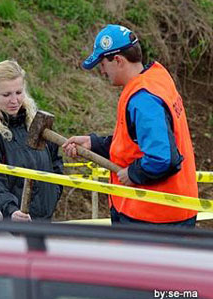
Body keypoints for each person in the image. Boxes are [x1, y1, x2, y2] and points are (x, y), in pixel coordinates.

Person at [62, 24, 198, 227]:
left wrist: (134, 174)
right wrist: (94, 144)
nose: (102, 71)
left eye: (102, 63)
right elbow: (134, 143)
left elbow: (162, 158)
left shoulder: (143, 99)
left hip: (153, 216)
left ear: (118, 60)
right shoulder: (156, 79)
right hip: (167, 210)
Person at [0, 59, 62, 222]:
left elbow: (55, 162)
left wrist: (54, 192)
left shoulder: (37, 123)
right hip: (8, 224)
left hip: (44, 221)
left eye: (19, 92)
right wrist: (10, 210)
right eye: (6, 95)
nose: (14, 100)